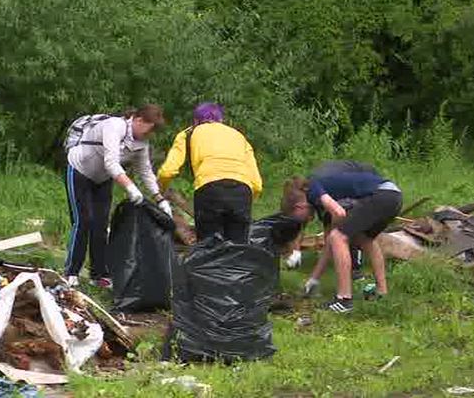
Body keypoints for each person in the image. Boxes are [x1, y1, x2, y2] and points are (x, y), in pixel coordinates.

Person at [63, 104, 169, 288]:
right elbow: (111, 162)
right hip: (80, 170)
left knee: (101, 225)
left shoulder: (141, 143)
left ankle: (98, 275)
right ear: (138, 120)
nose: (149, 135)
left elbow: (145, 171)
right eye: (148, 129)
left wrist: (159, 198)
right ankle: (71, 272)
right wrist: (131, 188)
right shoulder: (114, 126)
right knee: (83, 220)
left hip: (102, 179)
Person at [281, 161, 402, 313]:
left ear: (299, 206)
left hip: (382, 195)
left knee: (338, 237)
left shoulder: (312, 188)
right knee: (365, 239)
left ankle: (344, 299)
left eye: (297, 217)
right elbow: (328, 248)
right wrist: (314, 279)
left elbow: (339, 212)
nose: (304, 220)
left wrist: (337, 230)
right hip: (393, 195)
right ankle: (381, 292)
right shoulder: (321, 194)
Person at [157, 102, 262, 245]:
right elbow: (257, 184)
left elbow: (167, 172)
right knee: (238, 249)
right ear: (221, 120)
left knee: (208, 249)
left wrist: (161, 191)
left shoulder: (188, 133)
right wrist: (246, 200)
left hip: (209, 190)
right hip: (241, 192)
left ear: (195, 121)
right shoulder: (239, 136)